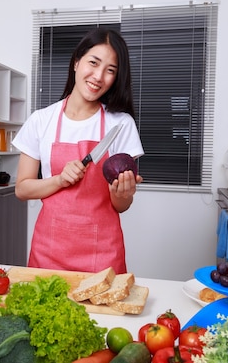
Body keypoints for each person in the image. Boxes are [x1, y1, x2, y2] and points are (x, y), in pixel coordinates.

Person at [12, 27, 144, 274]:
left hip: (102, 255)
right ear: (76, 62)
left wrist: (122, 192)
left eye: (110, 70)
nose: (98, 76)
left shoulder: (120, 124)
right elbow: (22, 188)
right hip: (49, 250)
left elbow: (121, 206)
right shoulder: (41, 120)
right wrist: (60, 180)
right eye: (93, 63)